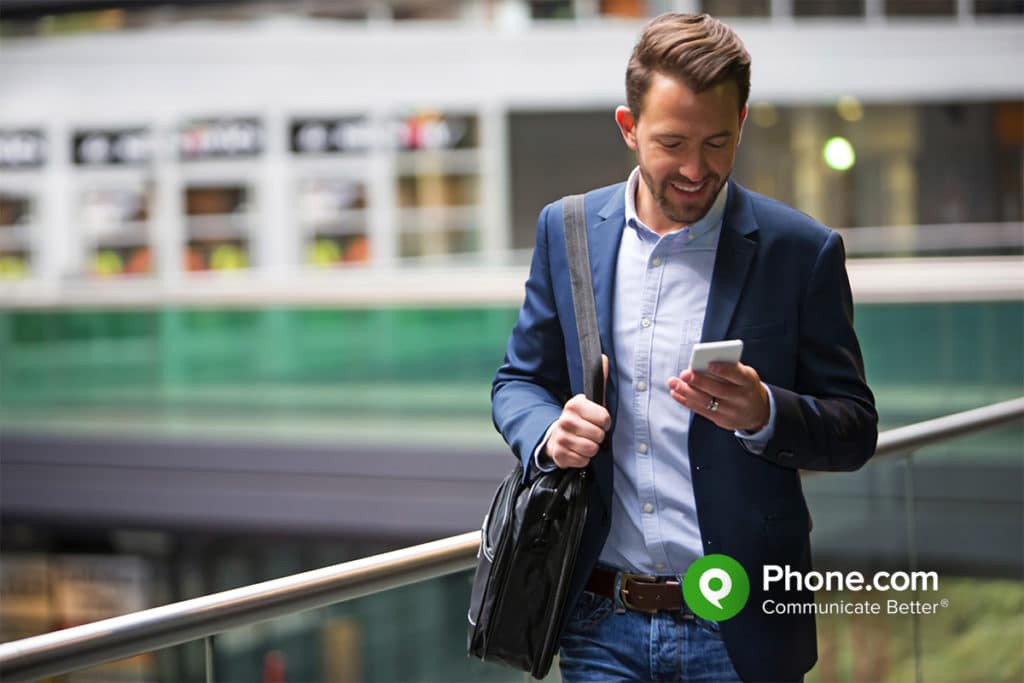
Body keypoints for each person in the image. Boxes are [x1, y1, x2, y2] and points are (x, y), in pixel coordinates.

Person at [491, 12, 878, 683]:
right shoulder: (568, 230)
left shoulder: (800, 251)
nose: (696, 170)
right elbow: (518, 382)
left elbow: (855, 429)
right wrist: (550, 432)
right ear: (628, 126)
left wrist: (765, 413)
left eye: (717, 143)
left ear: (742, 124)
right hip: (598, 621)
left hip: (741, 628)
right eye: (672, 143)